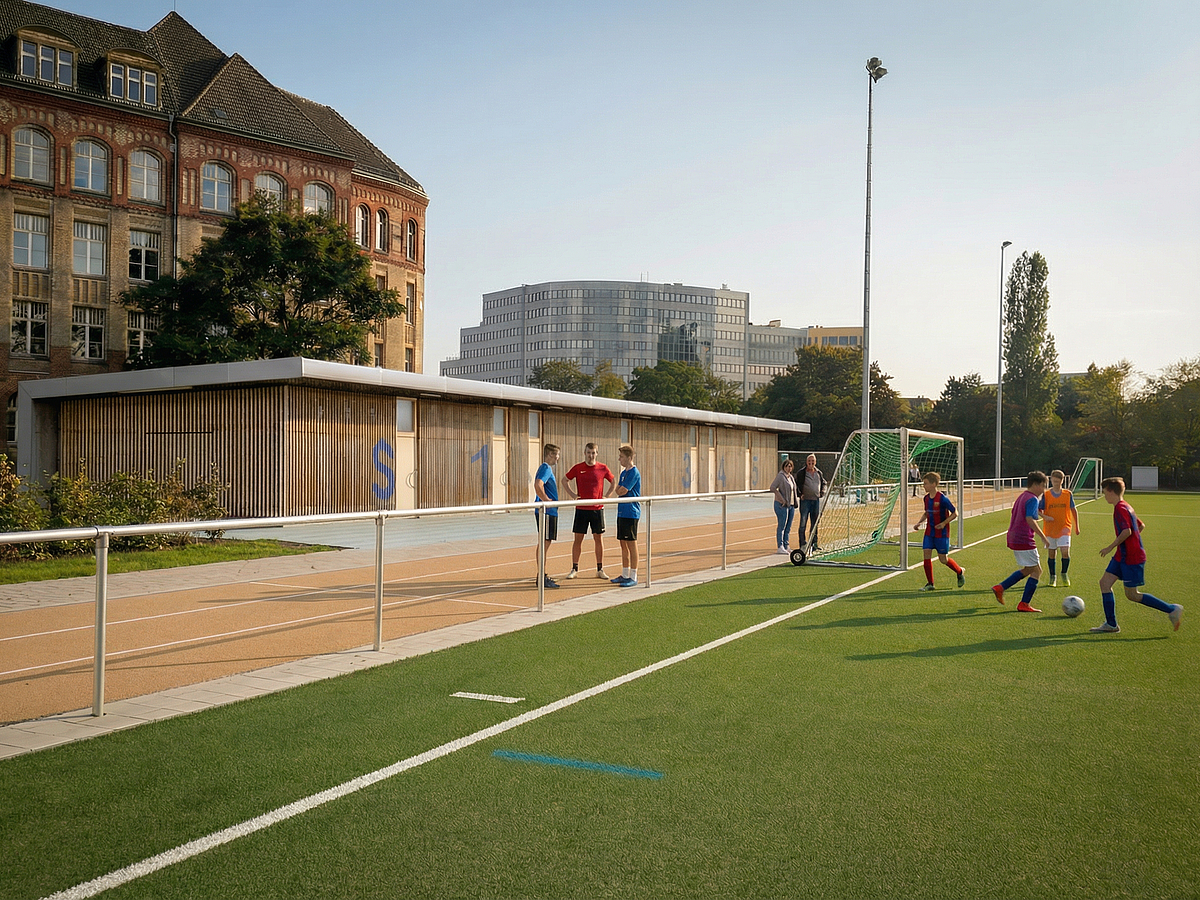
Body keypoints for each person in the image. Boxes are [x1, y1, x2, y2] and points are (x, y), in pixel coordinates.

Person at [1090, 476, 1182, 634]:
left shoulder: (1120, 508)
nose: (1104, 496)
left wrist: (1110, 547)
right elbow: (1141, 526)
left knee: (1132, 595)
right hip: (1123, 556)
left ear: (1111, 491)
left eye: (1105, 493)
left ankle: (1171, 609)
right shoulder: (1126, 506)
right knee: (1104, 583)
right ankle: (1111, 624)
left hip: (1131, 558)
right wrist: (1131, 543)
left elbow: (1127, 531)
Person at [991, 471, 1049, 612]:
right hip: (1024, 538)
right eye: (1043, 486)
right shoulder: (1033, 499)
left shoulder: (1022, 496)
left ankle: (1001, 588)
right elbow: (1030, 519)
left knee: (1029, 569)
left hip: (1014, 537)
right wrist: (1043, 536)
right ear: (1036, 484)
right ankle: (1023, 603)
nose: (1044, 490)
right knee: (1037, 571)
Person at [563, 442, 616, 580]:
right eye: (588, 453)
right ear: (584, 453)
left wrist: (607, 497)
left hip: (597, 509)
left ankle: (600, 568)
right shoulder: (578, 468)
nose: (591, 455)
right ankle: (574, 568)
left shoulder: (603, 468)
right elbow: (564, 480)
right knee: (577, 540)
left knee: (598, 539)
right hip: (581, 509)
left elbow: (613, 482)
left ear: (596, 454)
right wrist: (573, 495)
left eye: (593, 453)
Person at [913, 472, 965, 591]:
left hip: (942, 534)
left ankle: (959, 571)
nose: (924, 486)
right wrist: (919, 522)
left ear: (933, 484)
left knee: (943, 559)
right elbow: (927, 512)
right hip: (929, 532)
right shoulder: (926, 498)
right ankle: (930, 583)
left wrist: (943, 523)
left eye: (925, 484)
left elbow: (955, 513)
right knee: (926, 556)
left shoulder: (942, 499)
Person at [1038, 468, 1079, 587]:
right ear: (1051, 480)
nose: (1055, 483)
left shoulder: (1067, 494)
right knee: (1052, 554)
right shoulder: (1046, 494)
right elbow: (1038, 510)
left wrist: (1077, 526)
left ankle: (1064, 574)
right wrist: (1045, 516)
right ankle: (1052, 577)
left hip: (1064, 527)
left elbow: (1073, 509)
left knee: (1065, 551)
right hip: (1050, 529)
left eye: (1057, 481)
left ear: (1062, 481)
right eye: (1053, 481)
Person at [611, 443, 641, 586]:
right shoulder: (623, 473)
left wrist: (619, 489)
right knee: (623, 543)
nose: (619, 459)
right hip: (621, 511)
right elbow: (618, 489)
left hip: (631, 512)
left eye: (621, 457)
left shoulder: (634, 473)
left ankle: (633, 576)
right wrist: (619, 489)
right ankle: (624, 573)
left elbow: (622, 490)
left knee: (631, 544)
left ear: (629, 458)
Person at [532, 444, 561, 589]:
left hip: (549, 511)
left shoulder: (545, 469)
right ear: (550, 454)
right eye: (556, 455)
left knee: (545, 542)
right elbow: (538, 484)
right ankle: (541, 576)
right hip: (547, 512)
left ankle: (542, 575)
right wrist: (545, 499)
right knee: (545, 542)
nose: (558, 458)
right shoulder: (546, 468)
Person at [798, 454, 828, 551]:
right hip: (805, 501)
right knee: (803, 522)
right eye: (809, 461)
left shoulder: (819, 473)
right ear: (806, 462)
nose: (811, 463)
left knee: (815, 523)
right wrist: (800, 494)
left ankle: (813, 544)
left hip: (815, 501)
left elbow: (824, 483)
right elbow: (796, 484)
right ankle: (802, 544)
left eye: (813, 461)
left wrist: (822, 492)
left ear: (815, 462)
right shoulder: (802, 473)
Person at [769, 458, 799, 555]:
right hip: (782, 505)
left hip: (790, 505)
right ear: (784, 467)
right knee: (781, 525)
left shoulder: (791, 477)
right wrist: (781, 499)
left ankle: (786, 545)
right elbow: (773, 487)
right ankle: (780, 546)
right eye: (787, 466)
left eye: (790, 466)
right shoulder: (780, 476)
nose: (788, 468)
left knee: (788, 526)